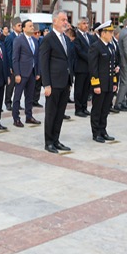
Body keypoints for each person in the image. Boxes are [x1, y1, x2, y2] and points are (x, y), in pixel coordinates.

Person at [39, 10, 73, 153]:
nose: (65, 22)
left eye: (66, 19)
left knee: (60, 113)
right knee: (51, 113)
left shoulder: (65, 38)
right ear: (54, 21)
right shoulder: (48, 38)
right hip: (53, 83)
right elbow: (43, 62)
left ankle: (56, 139)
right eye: (63, 19)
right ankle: (49, 142)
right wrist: (46, 84)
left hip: (64, 82)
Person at [88, 21, 118, 143]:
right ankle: (96, 133)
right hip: (100, 84)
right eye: (110, 32)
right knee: (97, 109)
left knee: (105, 109)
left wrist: (115, 82)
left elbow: (113, 66)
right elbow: (93, 67)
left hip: (109, 83)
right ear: (103, 33)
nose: (112, 34)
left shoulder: (110, 47)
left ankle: (103, 130)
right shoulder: (96, 46)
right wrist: (96, 84)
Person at [11, 19, 40, 127]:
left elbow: (36, 57)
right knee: (17, 96)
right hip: (22, 73)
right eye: (30, 26)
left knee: (30, 96)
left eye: (32, 26)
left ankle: (29, 116)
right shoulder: (19, 40)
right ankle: (16, 118)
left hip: (32, 72)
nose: (32, 28)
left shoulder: (35, 40)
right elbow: (15, 58)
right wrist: (17, 73)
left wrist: (37, 72)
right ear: (24, 28)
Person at [73, 17, 94, 117]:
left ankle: (84, 107)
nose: (86, 25)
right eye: (84, 23)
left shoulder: (89, 37)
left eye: (87, 23)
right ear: (79, 25)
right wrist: (91, 58)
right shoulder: (76, 36)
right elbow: (79, 51)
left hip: (89, 67)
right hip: (80, 67)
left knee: (86, 89)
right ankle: (78, 109)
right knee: (79, 89)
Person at [4, 18, 22, 111]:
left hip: (20, 65)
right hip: (12, 66)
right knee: (10, 86)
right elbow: (8, 53)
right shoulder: (9, 37)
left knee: (18, 86)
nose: (21, 27)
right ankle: (8, 102)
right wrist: (10, 66)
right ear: (14, 27)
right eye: (19, 25)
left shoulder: (22, 37)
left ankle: (16, 103)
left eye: (21, 25)